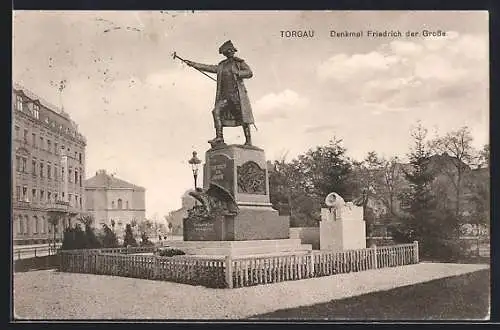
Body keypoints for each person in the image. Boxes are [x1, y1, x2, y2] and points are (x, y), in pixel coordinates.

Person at [184, 40, 255, 146]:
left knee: (243, 118)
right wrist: (193, 64)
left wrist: (239, 73)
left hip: (237, 95)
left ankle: (248, 141)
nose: (230, 52)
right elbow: (209, 68)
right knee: (216, 111)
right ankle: (219, 138)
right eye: (227, 51)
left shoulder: (239, 62)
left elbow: (249, 73)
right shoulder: (222, 65)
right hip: (225, 97)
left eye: (230, 50)